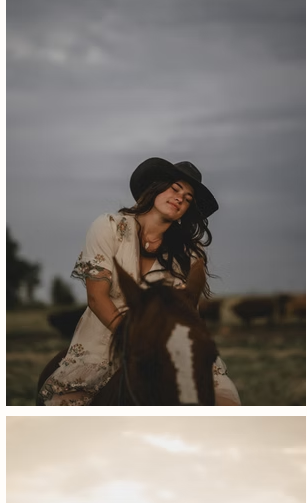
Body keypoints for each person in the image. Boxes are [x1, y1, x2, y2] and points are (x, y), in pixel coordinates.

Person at [38, 158, 240, 406]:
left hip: (174, 348)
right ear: (154, 188)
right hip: (107, 340)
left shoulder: (191, 254)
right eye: (175, 189)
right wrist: (137, 342)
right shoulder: (109, 227)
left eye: (188, 199)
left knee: (225, 404)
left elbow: (186, 312)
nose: (180, 198)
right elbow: (97, 297)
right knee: (63, 409)